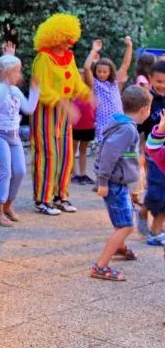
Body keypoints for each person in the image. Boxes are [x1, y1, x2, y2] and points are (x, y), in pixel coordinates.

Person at [30, 14, 92, 216]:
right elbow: (42, 89)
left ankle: (60, 196)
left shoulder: (70, 57)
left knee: (66, 155)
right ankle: (43, 198)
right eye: (66, 38)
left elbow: (75, 82)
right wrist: (64, 104)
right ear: (55, 37)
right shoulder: (43, 58)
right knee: (48, 155)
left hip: (64, 114)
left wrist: (87, 95)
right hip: (46, 111)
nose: (70, 42)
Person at [92, 86, 151, 281]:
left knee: (122, 220)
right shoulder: (127, 129)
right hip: (115, 184)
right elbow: (109, 153)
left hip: (118, 183)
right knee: (126, 225)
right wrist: (102, 181)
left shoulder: (120, 121)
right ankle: (100, 267)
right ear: (144, 109)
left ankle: (120, 247)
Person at [0, 54, 39, 226]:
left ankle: (8, 206)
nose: (20, 74)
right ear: (6, 73)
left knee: (20, 170)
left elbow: (29, 109)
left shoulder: (15, 90)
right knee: (5, 171)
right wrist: (6, 85)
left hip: (13, 134)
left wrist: (35, 89)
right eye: (16, 71)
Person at [83, 37, 133, 143]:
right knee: (105, 153)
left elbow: (125, 65)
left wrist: (129, 46)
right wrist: (94, 51)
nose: (101, 74)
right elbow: (87, 68)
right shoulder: (95, 84)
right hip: (104, 124)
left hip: (119, 121)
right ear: (95, 71)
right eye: (99, 71)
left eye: (104, 72)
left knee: (120, 151)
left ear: (110, 72)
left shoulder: (114, 82)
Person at [138, 61, 165, 246]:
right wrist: (138, 152)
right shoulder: (146, 101)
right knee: (159, 191)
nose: (162, 85)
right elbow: (139, 128)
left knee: (158, 191)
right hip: (153, 153)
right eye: (159, 81)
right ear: (150, 79)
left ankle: (144, 210)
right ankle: (155, 232)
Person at [71, 93, 96, 186]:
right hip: (75, 125)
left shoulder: (91, 88)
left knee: (83, 150)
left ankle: (82, 174)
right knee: (72, 150)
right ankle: (74, 174)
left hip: (88, 124)